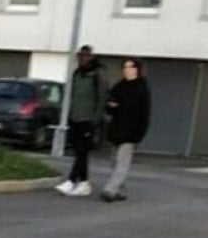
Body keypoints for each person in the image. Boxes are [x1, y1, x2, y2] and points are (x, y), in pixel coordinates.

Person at [56, 45, 108, 197]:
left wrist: (96, 119)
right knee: (79, 151)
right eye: (80, 56)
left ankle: (73, 180)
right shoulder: (77, 73)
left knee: (82, 151)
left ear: (92, 57)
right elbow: (71, 95)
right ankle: (83, 181)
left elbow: (101, 98)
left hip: (89, 119)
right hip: (76, 117)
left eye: (86, 56)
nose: (82, 58)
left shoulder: (97, 74)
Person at [100, 57, 150, 202]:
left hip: (131, 132)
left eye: (130, 67)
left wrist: (139, 133)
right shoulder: (119, 86)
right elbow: (109, 105)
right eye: (125, 67)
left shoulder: (142, 89)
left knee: (122, 163)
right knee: (114, 162)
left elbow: (145, 112)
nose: (126, 70)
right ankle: (120, 190)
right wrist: (110, 106)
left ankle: (110, 189)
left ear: (136, 69)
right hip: (116, 129)